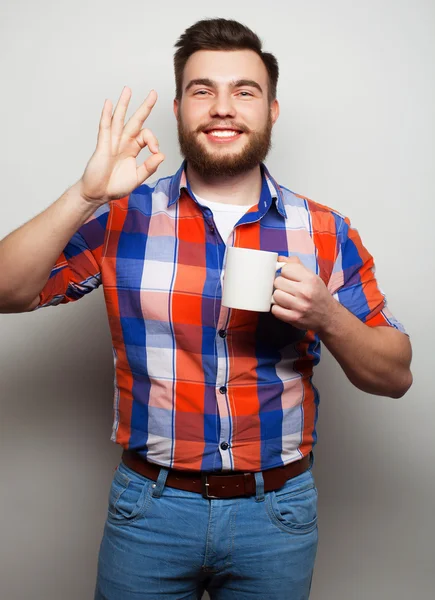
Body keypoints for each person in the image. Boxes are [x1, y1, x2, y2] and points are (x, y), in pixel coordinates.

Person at [0, 17, 412, 600]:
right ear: (178, 108)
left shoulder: (324, 231)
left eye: (244, 91)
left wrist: (326, 313)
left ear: (271, 110)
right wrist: (86, 194)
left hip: (279, 514)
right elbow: (6, 290)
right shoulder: (123, 215)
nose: (223, 107)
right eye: (203, 90)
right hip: (150, 508)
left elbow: (395, 374)